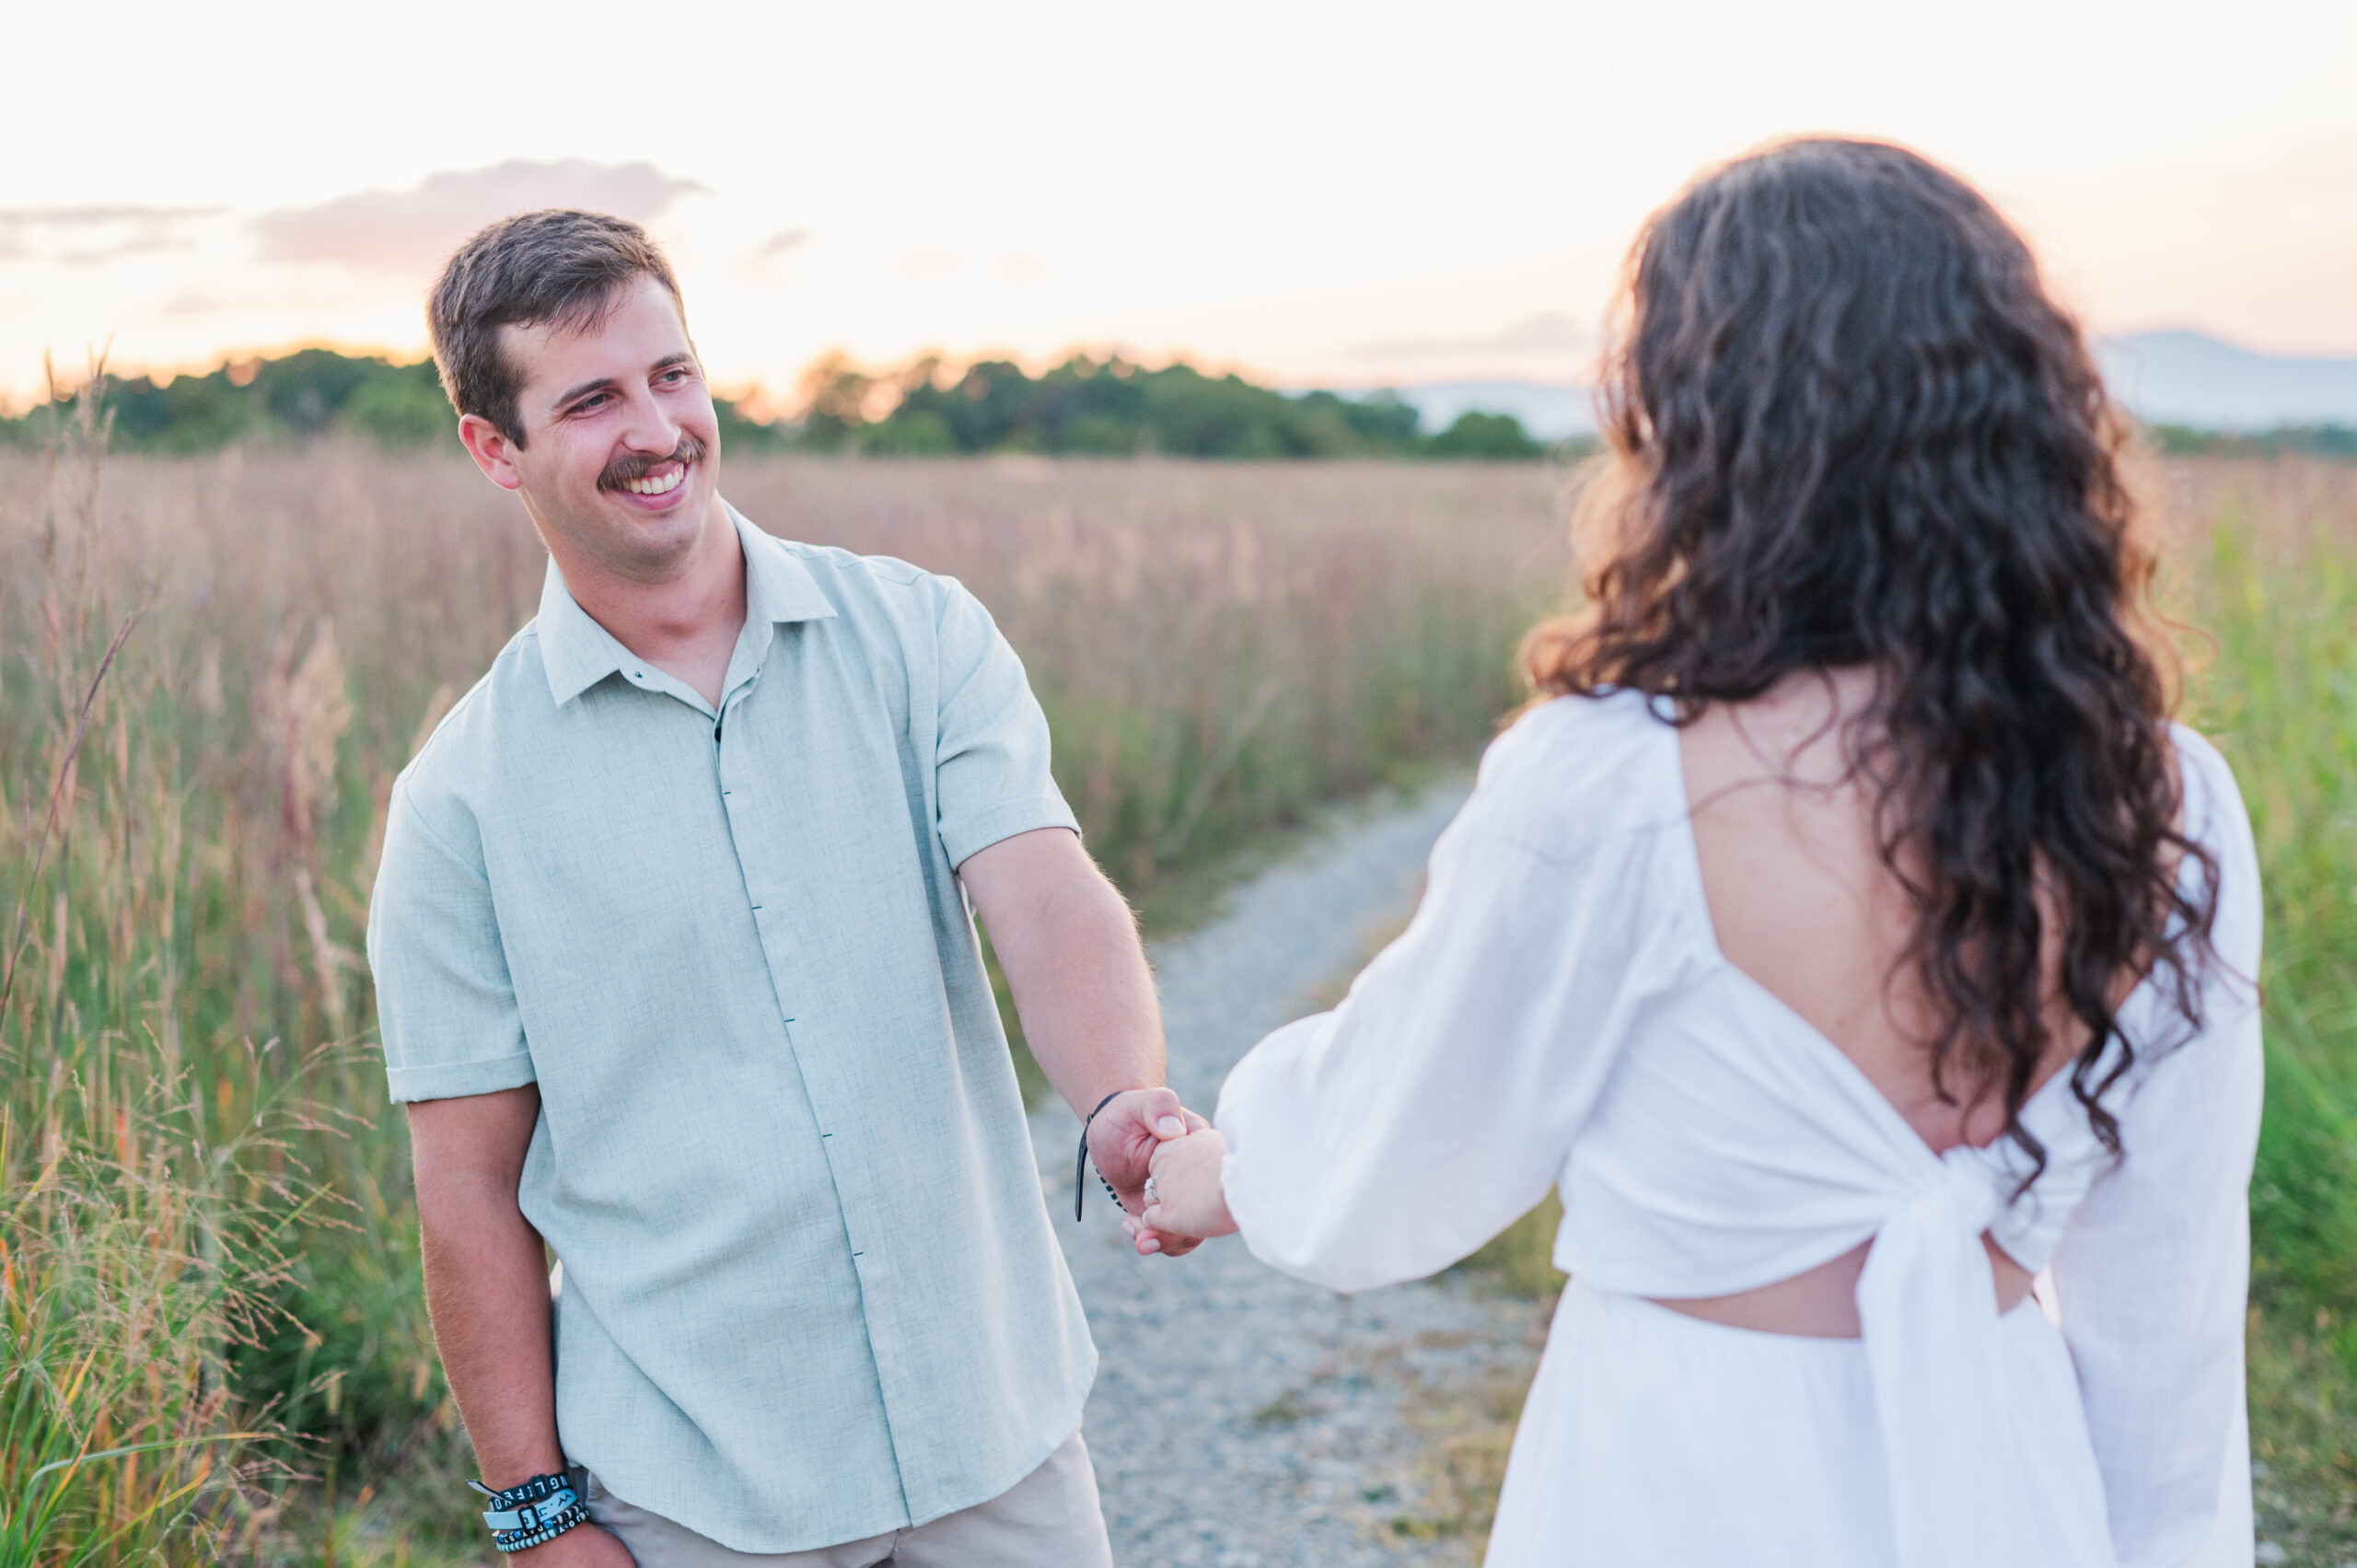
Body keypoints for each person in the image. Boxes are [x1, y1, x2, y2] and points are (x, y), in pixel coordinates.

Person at [1139, 138, 2262, 1567]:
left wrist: (1227, 1171)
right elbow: (2167, 1315)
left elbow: (1399, 1144)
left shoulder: (1611, 780)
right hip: (2013, 1482)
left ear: (1703, 434)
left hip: (1681, 1485)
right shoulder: (2166, 797)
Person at [366, 209, 1205, 1568]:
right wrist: (535, 1518)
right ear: (494, 448)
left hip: (997, 1445)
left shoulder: (920, 633)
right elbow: (466, 1186)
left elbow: (1045, 894)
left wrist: (1118, 1097)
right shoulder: (459, 804)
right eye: (591, 401)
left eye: (672, 375)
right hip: (697, 1499)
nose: (658, 430)